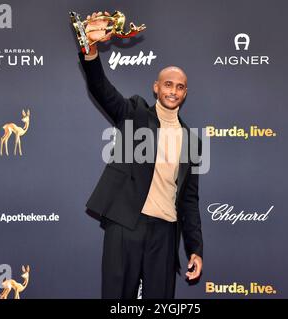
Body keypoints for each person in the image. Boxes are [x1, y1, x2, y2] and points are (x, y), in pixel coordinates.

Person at [79, 11, 203, 299]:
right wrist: (91, 49)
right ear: (156, 88)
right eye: (168, 84)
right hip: (126, 224)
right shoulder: (135, 113)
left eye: (180, 86)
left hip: (165, 232)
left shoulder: (192, 142)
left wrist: (195, 248)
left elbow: (189, 201)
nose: (173, 90)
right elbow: (101, 89)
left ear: (185, 94)